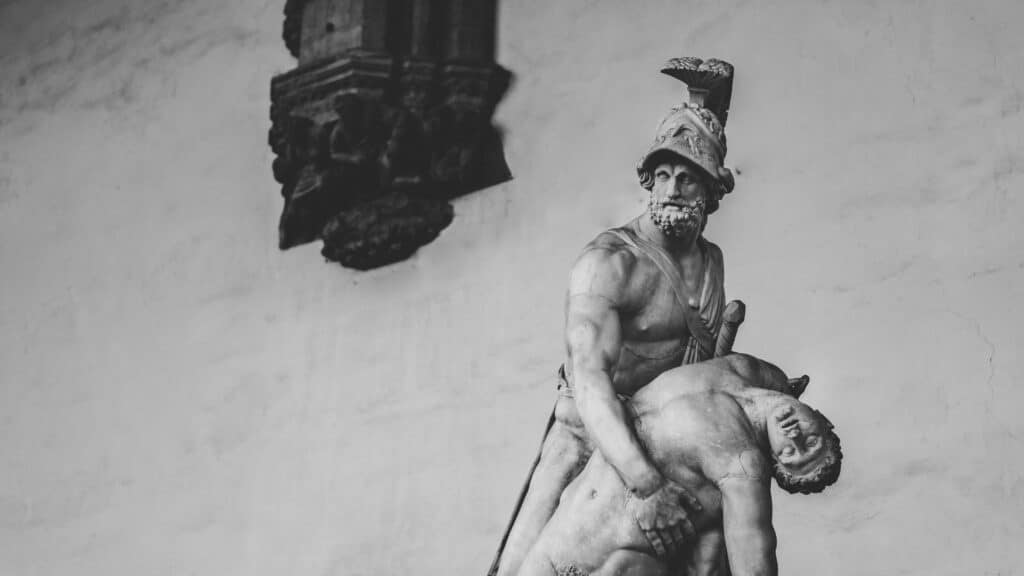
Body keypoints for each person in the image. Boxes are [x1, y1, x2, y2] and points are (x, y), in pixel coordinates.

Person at [492, 68, 742, 576]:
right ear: (648, 179)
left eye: (689, 177)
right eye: (664, 175)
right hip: (590, 445)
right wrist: (644, 484)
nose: (673, 188)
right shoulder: (609, 263)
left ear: (711, 193)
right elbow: (589, 383)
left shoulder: (710, 262)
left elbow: (701, 373)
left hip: (671, 439)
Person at [516, 354, 843, 576]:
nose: (795, 437)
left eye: (790, 453)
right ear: (820, 418)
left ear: (773, 460)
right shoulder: (752, 372)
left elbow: (754, 557)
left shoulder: (743, 465)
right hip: (554, 542)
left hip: (596, 567)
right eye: (812, 442)